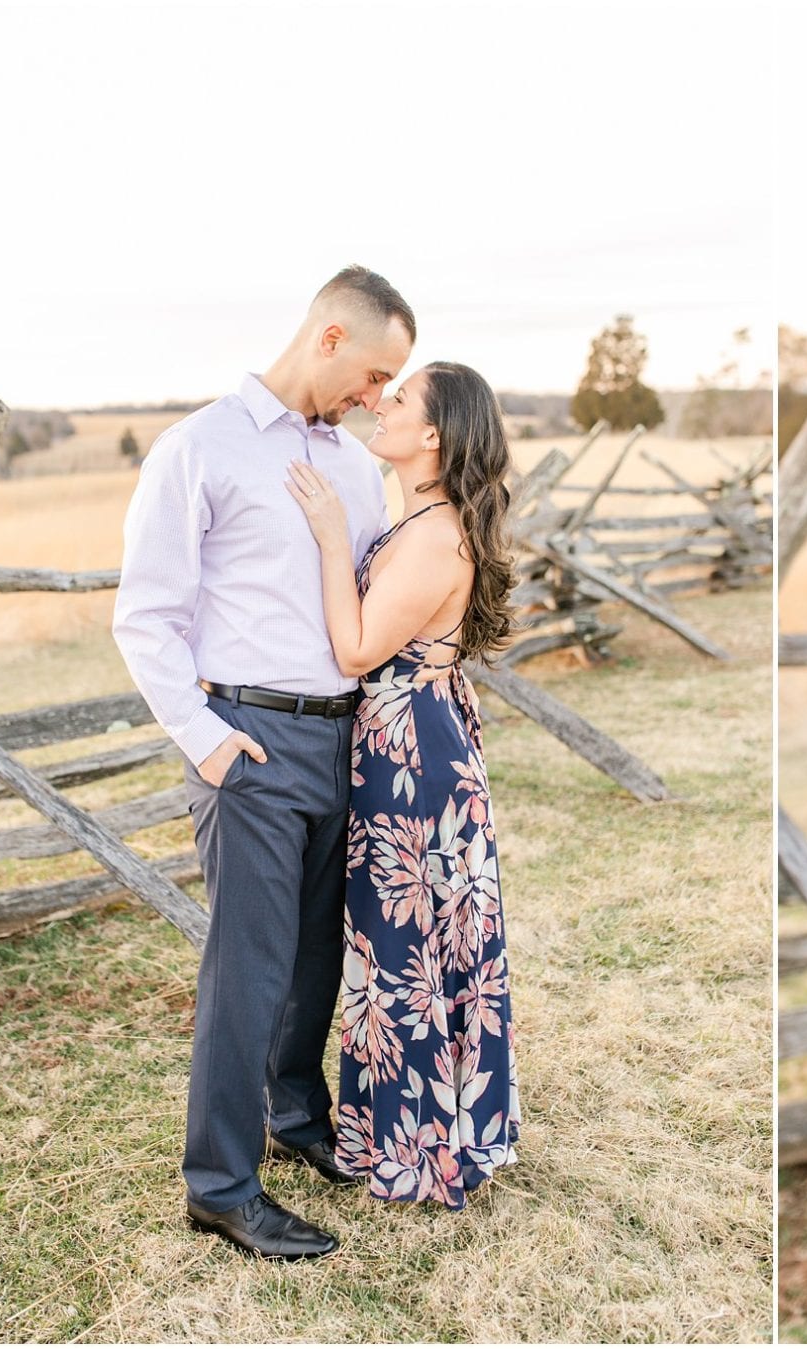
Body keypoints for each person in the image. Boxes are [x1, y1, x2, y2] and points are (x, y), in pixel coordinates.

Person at [114, 266, 415, 1259]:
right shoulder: (200, 447)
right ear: (329, 336)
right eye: (374, 373)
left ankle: (296, 1115)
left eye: (391, 385)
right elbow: (146, 614)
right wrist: (205, 740)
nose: (377, 398)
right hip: (247, 736)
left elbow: (368, 603)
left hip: (344, 733)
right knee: (247, 965)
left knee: (320, 951)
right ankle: (220, 1183)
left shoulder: (357, 470)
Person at [285, 361, 521, 1209]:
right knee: (408, 936)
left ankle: (419, 1142)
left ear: (433, 437)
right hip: (410, 738)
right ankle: (409, 1123)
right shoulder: (424, 518)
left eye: (402, 399)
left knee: (409, 942)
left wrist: (326, 531)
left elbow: (355, 651)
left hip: (410, 755)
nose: (380, 404)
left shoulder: (431, 535)